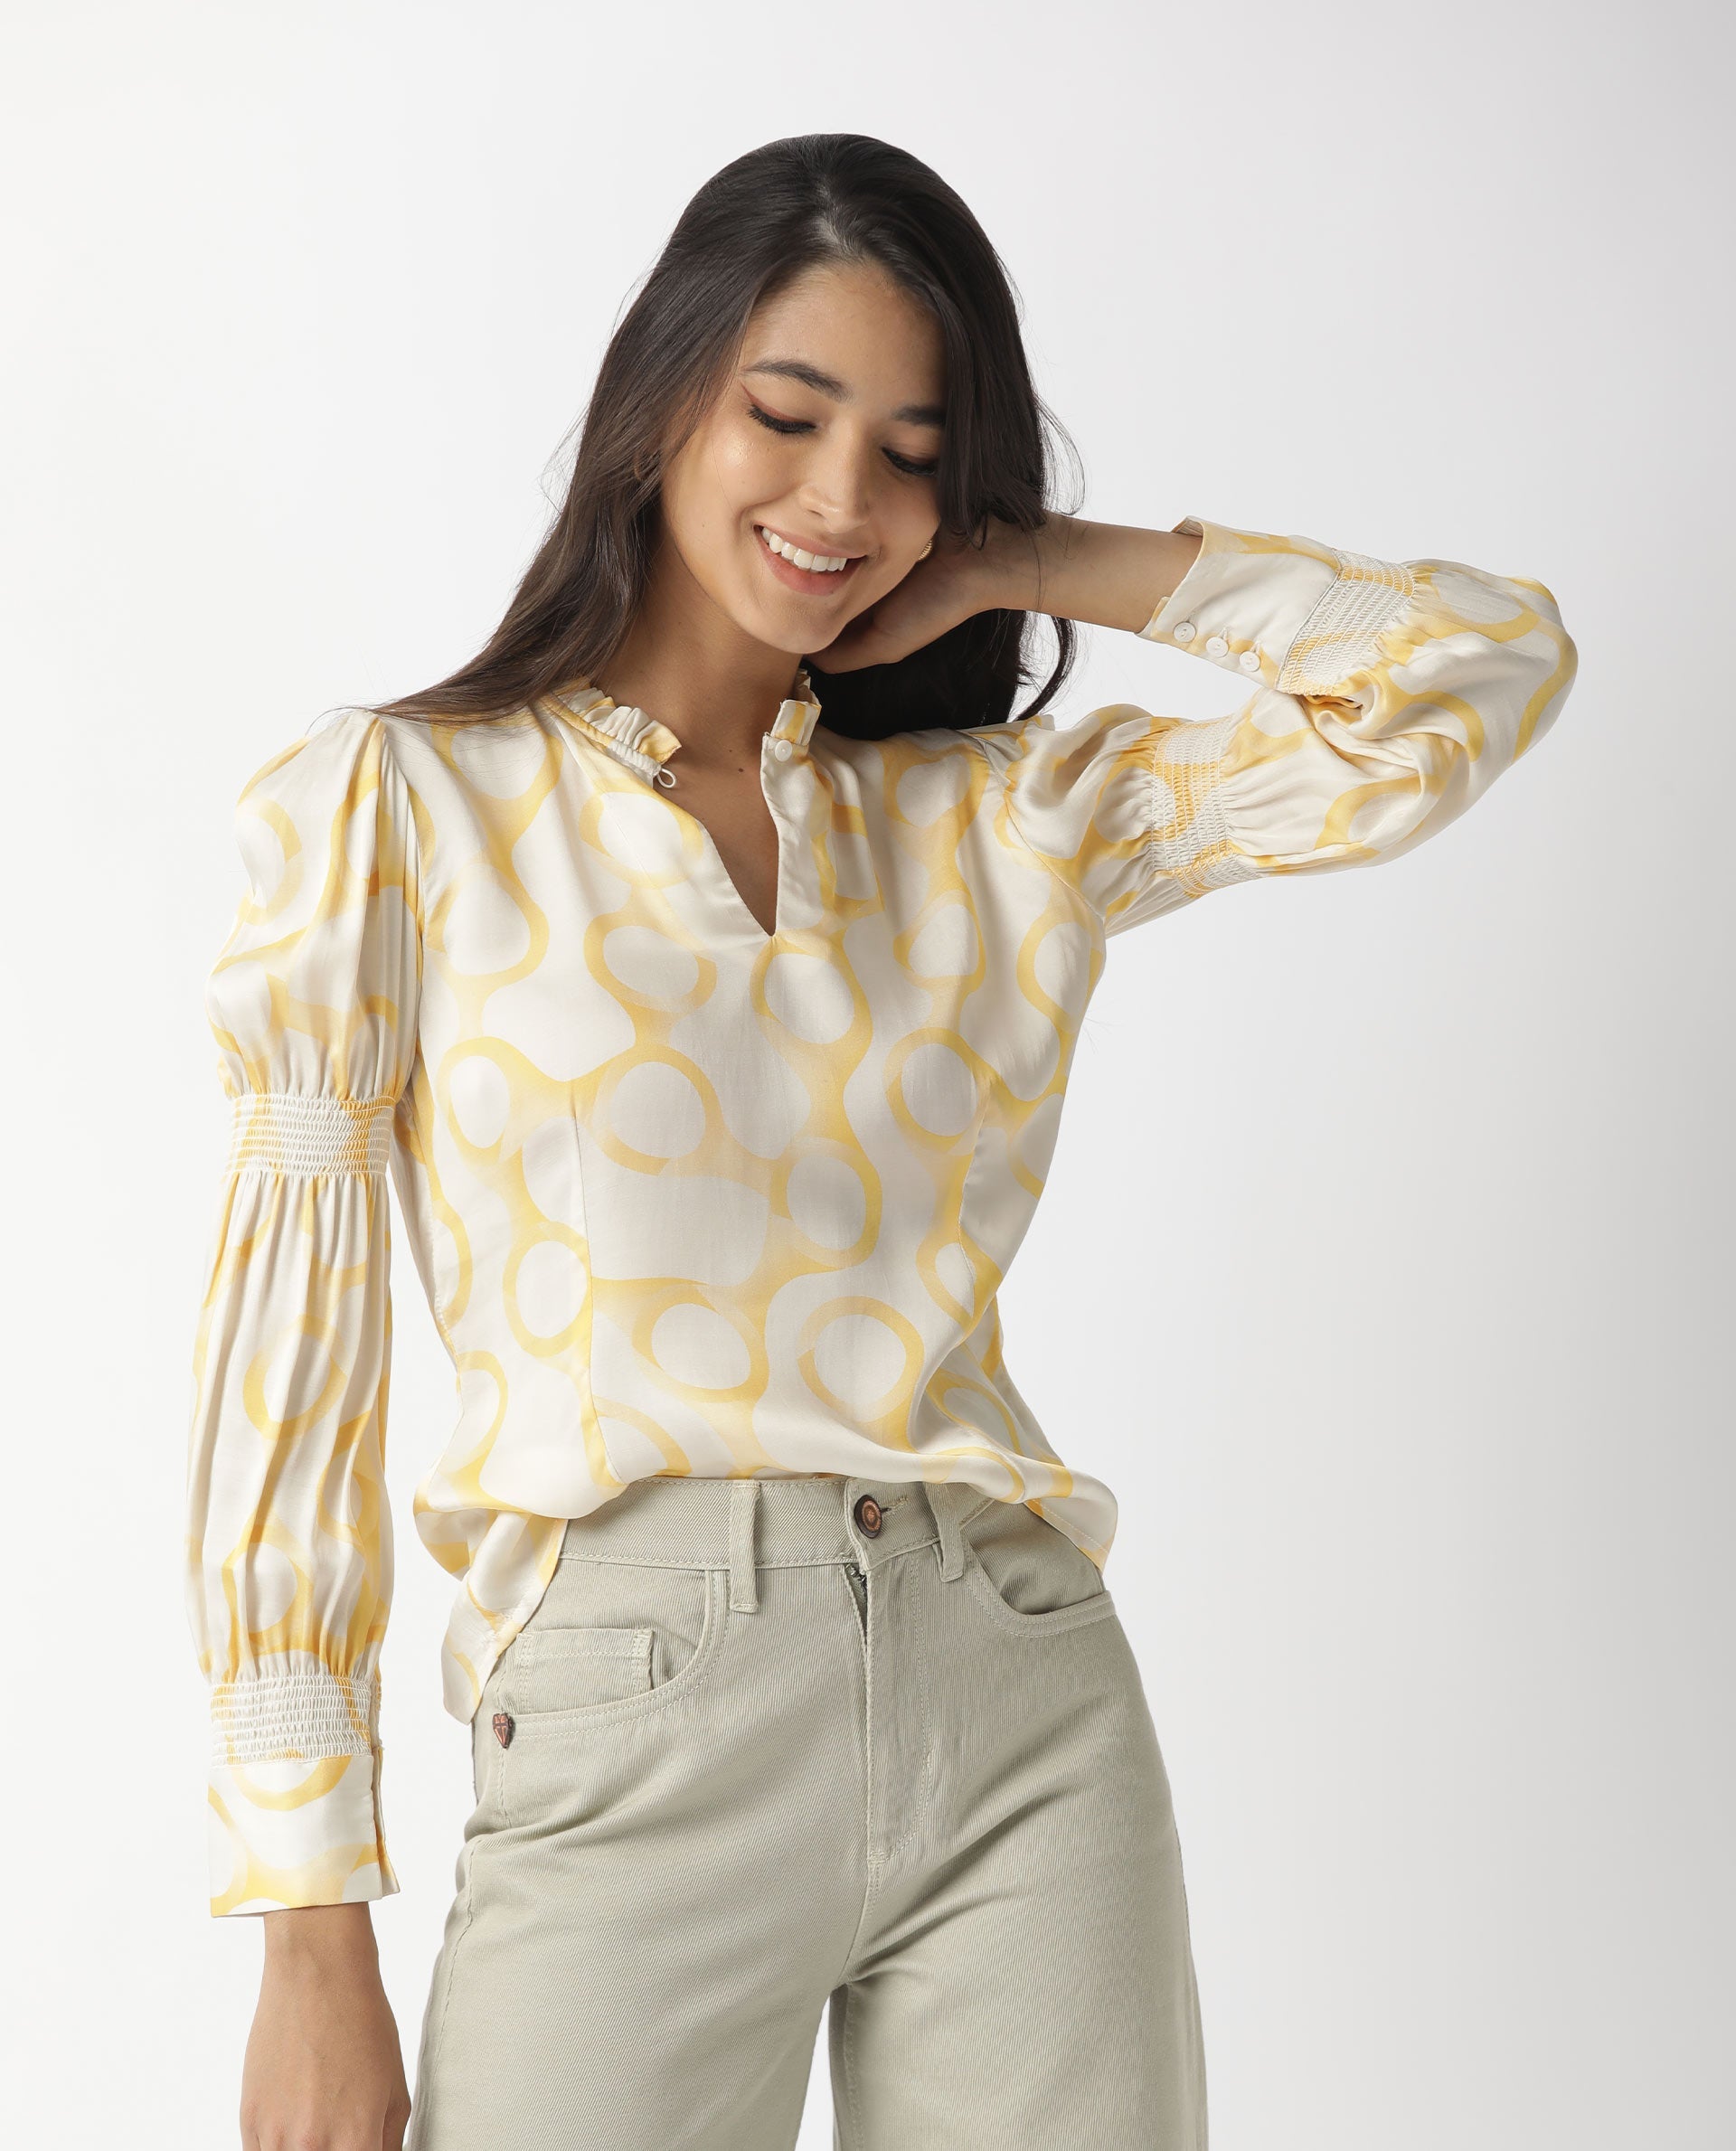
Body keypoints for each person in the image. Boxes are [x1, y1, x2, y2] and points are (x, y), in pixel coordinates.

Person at [183, 132, 1578, 2151]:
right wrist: (307, 1913)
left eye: (914, 454)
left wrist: (1032, 561)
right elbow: (290, 1368)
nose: (843, 498)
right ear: (662, 398)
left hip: (1018, 1697)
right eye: (787, 414)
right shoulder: (402, 803)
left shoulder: (1000, 821)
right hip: (632, 1702)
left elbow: (1473, 671)